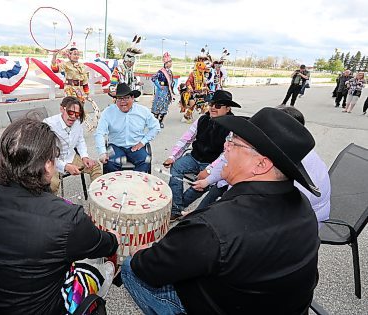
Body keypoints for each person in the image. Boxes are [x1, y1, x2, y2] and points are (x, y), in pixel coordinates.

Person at [121, 107, 321, 314]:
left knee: (130, 266)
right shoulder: (303, 207)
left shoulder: (212, 227)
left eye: (233, 142)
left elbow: (151, 267)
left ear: (261, 164)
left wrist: (140, 253)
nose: (225, 147)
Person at [0, 118, 118, 314]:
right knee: (97, 266)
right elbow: (104, 245)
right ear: (48, 165)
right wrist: (113, 237)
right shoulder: (67, 218)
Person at [192, 106, 331, 229]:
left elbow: (269, 221)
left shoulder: (291, 188)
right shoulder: (285, 157)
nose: (226, 146)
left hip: (297, 229)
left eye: (233, 142)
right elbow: (226, 164)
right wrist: (208, 180)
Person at [163, 90, 241, 220]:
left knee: (203, 183)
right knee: (176, 166)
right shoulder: (202, 119)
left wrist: (209, 170)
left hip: (214, 163)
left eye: (217, 106)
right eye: (211, 104)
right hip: (194, 157)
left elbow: (226, 155)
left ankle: (177, 207)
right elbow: (186, 139)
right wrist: (172, 156)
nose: (212, 108)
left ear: (227, 108)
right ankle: (177, 208)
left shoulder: (232, 127)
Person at [95, 83, 160, 173]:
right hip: (115, 146)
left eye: (126, 98)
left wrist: (143, 142)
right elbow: (99, 133)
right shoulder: (108, 112)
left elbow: (156, 127)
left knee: (146, 159)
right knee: (110, 161)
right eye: (119, 98)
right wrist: (102, 152)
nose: (123, 102)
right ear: (115, 99)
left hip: (136, 146)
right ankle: (115, 185)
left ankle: (136, 184)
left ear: (132, 98)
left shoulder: (143, 111)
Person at [43, 96, 102, 193]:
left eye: (77, 114)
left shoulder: (77, 123)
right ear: (62, 109)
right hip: (52, 161)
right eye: (70, 112)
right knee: (52, 185)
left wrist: (84, 156)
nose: (73, 116)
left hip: (71, 157)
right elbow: (45, 154)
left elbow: (80, 141)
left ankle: (97, 196)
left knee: (95, 166)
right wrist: (65, 166)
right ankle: (54, 206)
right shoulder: (49, 124)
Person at [51, 47, 99, 130]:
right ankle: (67, 126)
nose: (76, 56)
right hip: (70, 89)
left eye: (77, 54)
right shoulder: (66, 64)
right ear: (69, 55)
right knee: (71, 107)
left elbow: (85, 80)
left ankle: (76, 126)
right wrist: (54, 57)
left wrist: (86, 93)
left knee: (80, 107)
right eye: (74, 54)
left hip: (79, 89)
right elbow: (55, 69)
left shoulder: (82, 65)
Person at [182, 54, 211, 122]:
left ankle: (204, 119)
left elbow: (204, 83)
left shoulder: (202, 75)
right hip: (192, 93)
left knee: (204, 105)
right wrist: (190, 88)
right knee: (192, 105)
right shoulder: (193, 74)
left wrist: (206, 88)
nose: (202, 71)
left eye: (203, 70)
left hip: (200, 93)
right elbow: (188, 82)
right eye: (201, 69)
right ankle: (186, 116)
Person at [151, 52, 174, 128]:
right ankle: (155, 121)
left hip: (167, 91)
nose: (171, 63)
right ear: (166, 63)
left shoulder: (170, 72)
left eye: (171, 61)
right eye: (170, 62)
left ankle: (160, 121)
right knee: (158, 106)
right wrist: (159, 86)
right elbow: (153, 78)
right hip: (161, 91)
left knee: (165, 107)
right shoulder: (161, 72)